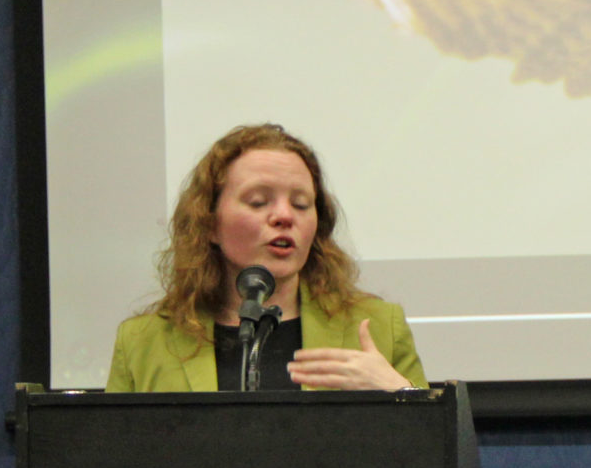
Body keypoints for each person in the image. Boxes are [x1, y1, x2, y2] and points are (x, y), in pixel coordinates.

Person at [106, 123, 427, 392]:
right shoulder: (143, 342)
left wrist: (399, 394)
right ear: (210, 223)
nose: (284, 216)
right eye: (259, 202)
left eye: (301, 204)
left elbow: (433, 456)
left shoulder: (380, 327)